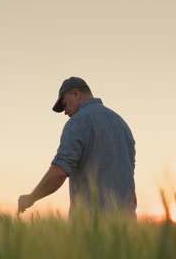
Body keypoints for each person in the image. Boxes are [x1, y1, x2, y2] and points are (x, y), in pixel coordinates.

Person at [18, 77, 136, 217]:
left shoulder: (78, 122)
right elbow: (129, 170)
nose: (65, 112)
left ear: (76, 94)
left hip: (91, 224)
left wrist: (31, 197)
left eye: (65, 104)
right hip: (127, 223)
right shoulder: (121, 123)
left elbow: (59, 172)